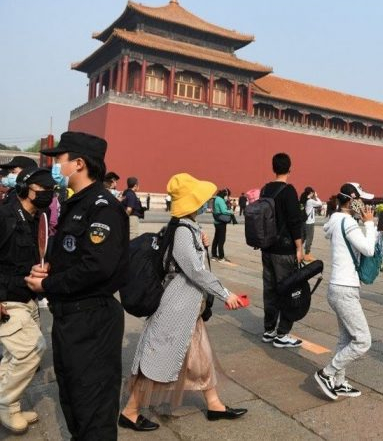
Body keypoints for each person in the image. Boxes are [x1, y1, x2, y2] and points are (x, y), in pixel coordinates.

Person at [119, 173, 247, 431]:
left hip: (188, 310)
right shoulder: (182, 232)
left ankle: (214, 404)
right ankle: (130, 411)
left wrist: (201, 244)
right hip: (176, 309)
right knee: (156, 360)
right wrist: (226, 294)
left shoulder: (185, 228)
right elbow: (196, 271)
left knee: (201, 357)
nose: (204, 203)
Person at [26, 131, 128, 440]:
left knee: (92, 401)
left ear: (79, 163)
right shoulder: (75, 203)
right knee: (72, 396)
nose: (56, 165)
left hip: (92, 319)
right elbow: (73, 254)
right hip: (70, 317)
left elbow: (97, 266)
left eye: (60, 159)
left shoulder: (102, 207)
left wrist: (48, 285)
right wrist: (49, 268)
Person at [0, 168, 54, 434]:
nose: (48, 196)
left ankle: (11, 408)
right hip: (7, 298)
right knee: (32, 349)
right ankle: (5, 402)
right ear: (24, 189)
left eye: (50, 191)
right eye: (42, 191)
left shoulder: (37, 219)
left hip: (28, 297)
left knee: (13, 355)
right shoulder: (5, 216)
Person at [314, 183, 377, 400]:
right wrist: (369, 225)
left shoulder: (335, 220)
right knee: (362, 340)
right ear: (351, 200)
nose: (365, 206)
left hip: (338, 286)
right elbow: (368, 248)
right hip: (345, 289)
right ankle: (327, 373)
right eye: (361, 201)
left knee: (345, 339)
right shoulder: (348, 222)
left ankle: (339, 382)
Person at [259, 153, 304, 348]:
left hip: (267, 247)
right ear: (290, 168)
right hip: (284, 250)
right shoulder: (289, 191)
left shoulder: (265, 190)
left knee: (269, 290)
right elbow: (294, 221)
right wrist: (299, 247)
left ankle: (269, 330)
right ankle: (282, 333)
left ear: (273, 168)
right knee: (288, 289)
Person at [300, 186, 323, 262]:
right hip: (309, 223)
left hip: (304, 222)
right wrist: (316, 196)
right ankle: (307, 255)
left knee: (303, 238)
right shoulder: (310, 201)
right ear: (310, 193)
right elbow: (320, 204)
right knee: (309, 238)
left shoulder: (304, 200)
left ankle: (299, 252)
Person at [212, 188, 234, 263]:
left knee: (216, 239)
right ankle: (221, 257)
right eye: (227, 196)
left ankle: (214, 255)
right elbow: (224, 211)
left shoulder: (216, 198)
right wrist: (231, 211)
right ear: (225, 194)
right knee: (221, 239)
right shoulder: (220, 200)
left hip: (217, 222)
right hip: (221, 222)